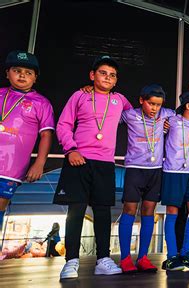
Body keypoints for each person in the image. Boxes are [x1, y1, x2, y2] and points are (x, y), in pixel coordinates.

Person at [54, 55, 132, 279]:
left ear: (116, 80)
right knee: (76, 210)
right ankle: (71, 261)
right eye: (102, 73)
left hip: (105, 163)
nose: (107, 78)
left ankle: (103, 259)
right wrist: (71, 149)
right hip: (78, 159)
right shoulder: (80, 95)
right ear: (92, 75)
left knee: (103, 211)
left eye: (112, 75)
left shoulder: (120, 101)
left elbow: (139, 115)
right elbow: (64, 124)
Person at [118, 84, 175, 273]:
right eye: (151, 104)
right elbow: (110, 110)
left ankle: (143, 257)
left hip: (156, 170)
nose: (154, 108)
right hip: (135, 168)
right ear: (141, 101)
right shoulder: (130, 115)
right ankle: (125, 258)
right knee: (129, 209)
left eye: (158, 105)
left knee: (149, 211)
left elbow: (188, 115)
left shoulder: (167, 114)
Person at [0, 50, 54, 235]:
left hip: (11, 167)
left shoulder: (41, 103)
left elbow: (46, 135)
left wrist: (39, 163)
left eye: (29, 72)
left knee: (0, 205)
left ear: (35, 78)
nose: (22, 75)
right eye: (17, 70)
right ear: (7, 73)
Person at [161, 90, 189, 271]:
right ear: (188, 106)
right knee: (172, 212)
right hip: (172, 171)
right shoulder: (171, 120)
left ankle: (185, 254)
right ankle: (172, 256)